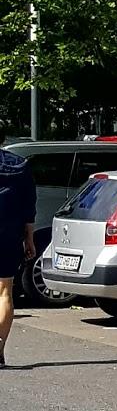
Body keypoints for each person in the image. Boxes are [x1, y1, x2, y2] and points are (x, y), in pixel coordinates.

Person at [0, 130, 37, 368]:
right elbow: (28, 206)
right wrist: (29, 239)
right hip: (8, 234)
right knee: (4, 292)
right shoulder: (19, 165)